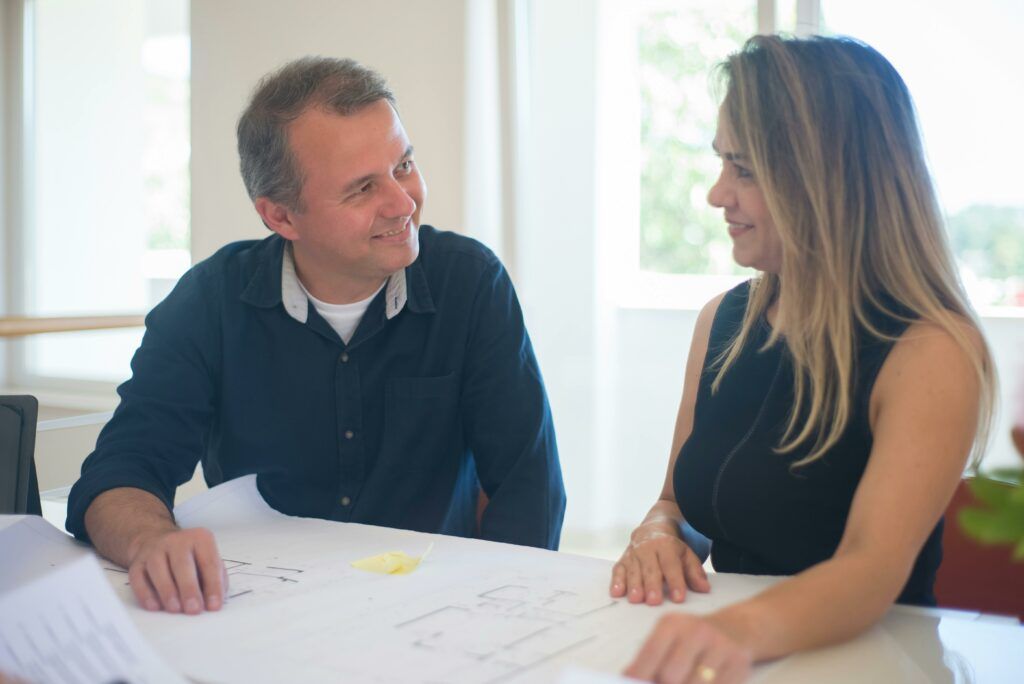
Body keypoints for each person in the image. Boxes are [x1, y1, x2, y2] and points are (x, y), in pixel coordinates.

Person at [66, 57, 565, 616]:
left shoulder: (470, 283)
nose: (404, 203)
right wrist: (150, 540)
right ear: (281, 217)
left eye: (403, 165)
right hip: (258, 616)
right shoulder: (209, 301)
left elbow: (529, 490)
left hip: (434, 614)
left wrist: (494, 616)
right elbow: (120, 473)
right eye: (361, 189)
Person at [610, 35, 995, 683]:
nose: (715, 194)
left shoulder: (930, 351)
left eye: (745, 169)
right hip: (749, 659)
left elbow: (870, 569)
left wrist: (736, 629)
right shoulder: (722, 321)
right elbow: (678, 501)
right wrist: (657, 534)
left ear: (828, 176)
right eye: (721, 163)